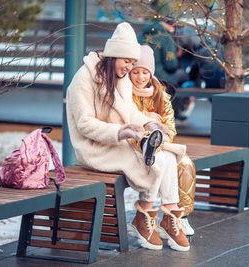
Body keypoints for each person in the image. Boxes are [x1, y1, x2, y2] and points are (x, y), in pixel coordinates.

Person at [65, 22, 190, 252]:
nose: (130, 68)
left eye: (133, 63)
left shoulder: (118, 76)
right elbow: (85, 124)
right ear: (114, 55)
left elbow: (128, 111)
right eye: (128, 62)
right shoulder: (84, 78)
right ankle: (143, 215)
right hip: (96, 147)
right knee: (157, 160)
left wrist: (149, 122)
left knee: (169, 157)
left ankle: (168, 217)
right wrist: (121, 132)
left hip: (119, 140)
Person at [130, 45, 196, 236]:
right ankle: (148, 217)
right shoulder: (125, 93)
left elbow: (171, 127)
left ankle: (178, 216)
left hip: (160, 144)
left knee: (184, 163)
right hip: (135, 146)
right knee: (161, 160)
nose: (140, 77)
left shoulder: (160, 94)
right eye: (135, 72)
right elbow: (126, 119)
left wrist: (162, 134)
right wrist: (147, 118)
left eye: (144, 72)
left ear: (151, 74)